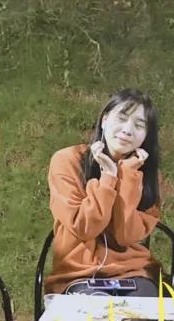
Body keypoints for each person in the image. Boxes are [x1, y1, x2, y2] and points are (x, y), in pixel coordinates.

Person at [45, 88, 163, 296]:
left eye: (139, 125)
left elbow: (125, 236)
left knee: (144, 308)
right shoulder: (67, 160)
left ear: (146, 136)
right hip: (79, 273)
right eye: (122, 119)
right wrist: (108, 177)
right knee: (94, 312)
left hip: (132, 271)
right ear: (104, 120)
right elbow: (84, 227)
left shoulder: (147, 175)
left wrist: (127, 175)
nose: (127, 130)